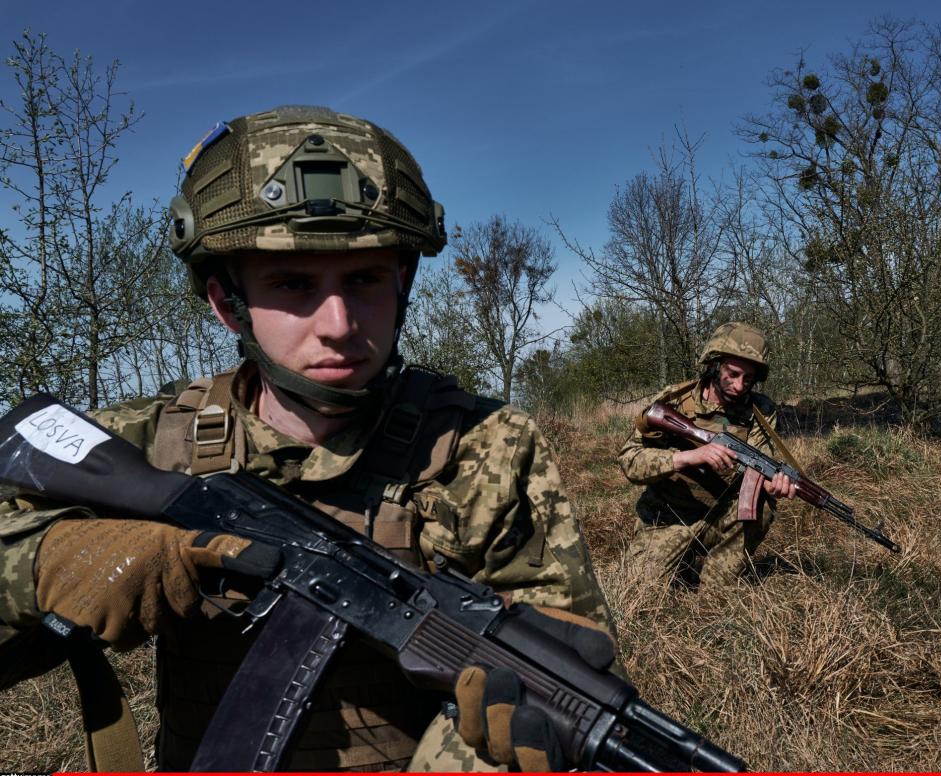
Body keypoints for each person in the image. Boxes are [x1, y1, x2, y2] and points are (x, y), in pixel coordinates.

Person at [0, 105, 614, 772]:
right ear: (224, 300)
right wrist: (48, 561)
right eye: (293, 284)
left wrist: (492, 745)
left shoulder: (486, 446)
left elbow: (570, 656)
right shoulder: (145, 442)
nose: (339, 323)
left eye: (363, 280)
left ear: (401, 281)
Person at [617, 323, 795, 589]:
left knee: (762, 502)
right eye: (732, 374)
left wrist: (773, 485)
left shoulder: (761, 410)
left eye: (748, 379)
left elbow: (759, 466)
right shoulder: (673, 402)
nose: (739, 385)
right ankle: (682, 556)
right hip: (669, 517)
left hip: (721, 515)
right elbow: (630, 461)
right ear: (714, 365)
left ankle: (716, 582)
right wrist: (689, 457)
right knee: (638, 589)